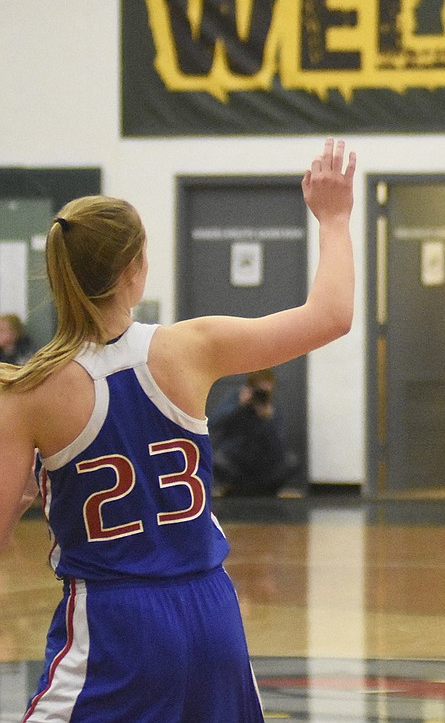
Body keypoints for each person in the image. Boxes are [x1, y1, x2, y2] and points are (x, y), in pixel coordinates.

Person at [0, 139, 355, 722]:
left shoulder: (29, 392)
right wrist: (335, 219)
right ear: (134, 270)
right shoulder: (190, 347)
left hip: (114, 624)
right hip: (210, 611)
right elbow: (331, 316)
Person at [210, 368, 297, 497]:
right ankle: (233, 486)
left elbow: (278, 443)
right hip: (236, 456)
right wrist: (239, 406)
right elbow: (213, 423)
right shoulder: (235, 400)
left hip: (264, 460)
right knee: (216, 459)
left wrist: (266, 417)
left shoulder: (273, 407)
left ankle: (265, 489)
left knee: (291, 461)